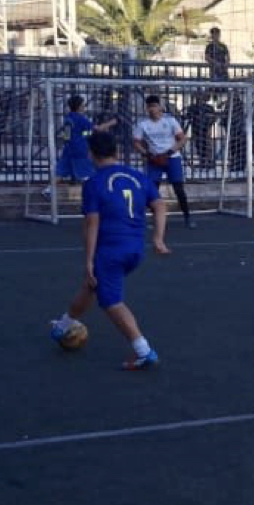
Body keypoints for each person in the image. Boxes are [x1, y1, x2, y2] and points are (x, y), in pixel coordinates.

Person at [49, 130, 170, 370]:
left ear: (91, 154)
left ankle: (143, 351)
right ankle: (63, 325)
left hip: (111, 250)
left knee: (110, 300)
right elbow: (160, 205)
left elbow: (92, 223)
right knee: (92, 286)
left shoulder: (93, 183)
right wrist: (158, 237)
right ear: (116, 151)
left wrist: (89, 261)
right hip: (135, 249)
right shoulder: (137, 176)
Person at [132, 94, 194, 227]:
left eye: (154, 106)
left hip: (172, 158)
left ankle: (188, 217)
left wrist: (170, 151)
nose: (152, 109)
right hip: (154, 159)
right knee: (153, 189)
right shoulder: (143, 124)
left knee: (178, 188)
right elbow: (136, 143)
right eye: (149, 107)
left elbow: (182, 139)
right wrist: (147, 154)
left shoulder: (170, 121)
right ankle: (155, 219)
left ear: (160, 107)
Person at [54, 94, 96, 185]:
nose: (84, 107)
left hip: (69, 149)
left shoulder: (68, 118)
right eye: (83, 105)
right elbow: (95, 129)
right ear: (79, 107)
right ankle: (93, 191)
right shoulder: (81, 119)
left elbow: (67, 135)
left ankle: (49, 190)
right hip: (80, 149)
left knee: (61, 172)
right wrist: (111, 123)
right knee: (87, 171)